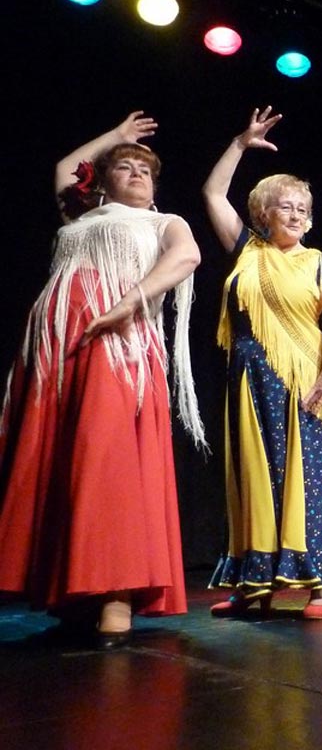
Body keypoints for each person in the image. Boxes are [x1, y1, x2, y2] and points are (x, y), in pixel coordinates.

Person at [0, 110, 204, 648]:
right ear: (104, 177)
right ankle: (72, 590)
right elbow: (67, 166)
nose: (137, 173)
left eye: (145, 169)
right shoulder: (77, 219)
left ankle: (116, 592)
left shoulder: (163, 222)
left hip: (118, 347)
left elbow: (187, 256)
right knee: (61, 462)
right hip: (58, 351)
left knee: (107, 462)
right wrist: (117, 137)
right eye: (125, 167)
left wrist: (126, 305)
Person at [203, 106, 322, 618]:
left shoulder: (318, 262)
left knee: (304, 476)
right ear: (263, 212)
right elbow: (211, 195)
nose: (295, 214)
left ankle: (320, 586)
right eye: (285, 206)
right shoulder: (246, 249)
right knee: (254, 476)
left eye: (303, 208)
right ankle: (255, 585)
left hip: (304, 383)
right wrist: (240, 144)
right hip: (247, 379)